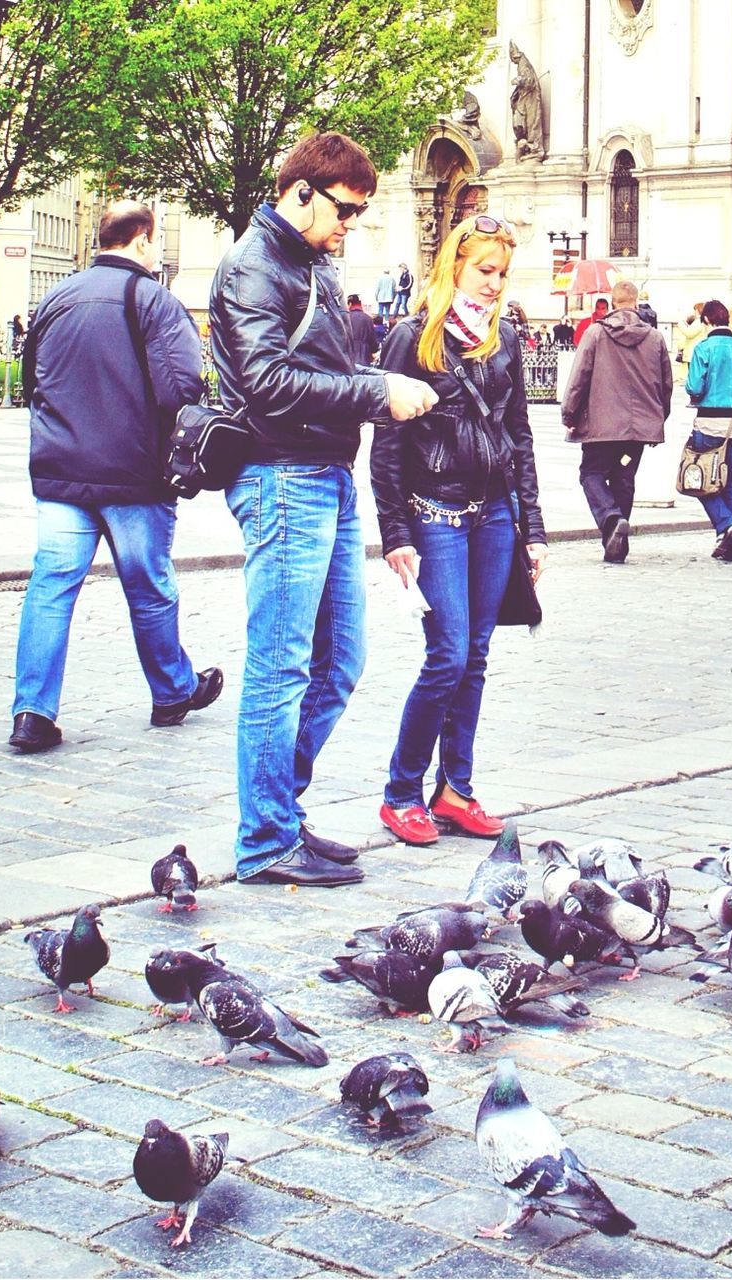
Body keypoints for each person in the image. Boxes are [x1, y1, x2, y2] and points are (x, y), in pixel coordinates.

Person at [209, 131, 436, 887]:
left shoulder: (309, 262)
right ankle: (266, 840)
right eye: (343, 210)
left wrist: (387, 377)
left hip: (325, 474)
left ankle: (280, 810)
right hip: (280, 476)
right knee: (280, 666)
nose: (349, 226)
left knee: (339, 660)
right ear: (301, 191)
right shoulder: (252, 265)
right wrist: (376, 392)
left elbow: (325, 367)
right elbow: (269, 382)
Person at [9, 201, 221, 754]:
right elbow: (181, 387)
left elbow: (31, 377)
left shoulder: (57, 297)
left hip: (61, 471)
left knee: (51, 588)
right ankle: (172, 690)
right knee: (148, 586)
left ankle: (33, 712)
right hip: (133, 474)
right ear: (144, 240)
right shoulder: (153, 299)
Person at [372, 213, 546, 846]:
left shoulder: (504, 342)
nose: (495, 285)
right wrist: (395, 533)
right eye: (484, 270)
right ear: (454, 266)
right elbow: (387, 444)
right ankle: (401, 792)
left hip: (494, 515)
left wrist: (535, 528)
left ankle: (455, 790)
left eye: (502, 273)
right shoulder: (413, 339)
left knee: (474, 657)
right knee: (445, 656)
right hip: (435, 515)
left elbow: (518, 437)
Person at [560, 280, 671, 563]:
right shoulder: (655, 338)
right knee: (624, 477)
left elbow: (579, 377)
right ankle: (616, 541)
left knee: (592, 474)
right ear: (635, 303)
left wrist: (569, 413)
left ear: (612, 303)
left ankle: (611, 521)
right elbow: (666, 385)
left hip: (601, 425)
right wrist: (658, 418)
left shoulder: (596, 333)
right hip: (638, 428)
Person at [684, 299, 732, 562]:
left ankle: (726, 526)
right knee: (728, 484)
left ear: (706, 321)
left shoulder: (704, 349)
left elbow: (694, 387)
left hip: (710, 423)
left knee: (698, 482)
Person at [345, 293, 379, 366]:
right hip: (364, 357)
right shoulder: (368, 319)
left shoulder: (345, 318)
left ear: (350, 304)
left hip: (347, 357)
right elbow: (372, 340)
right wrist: (374, 350)